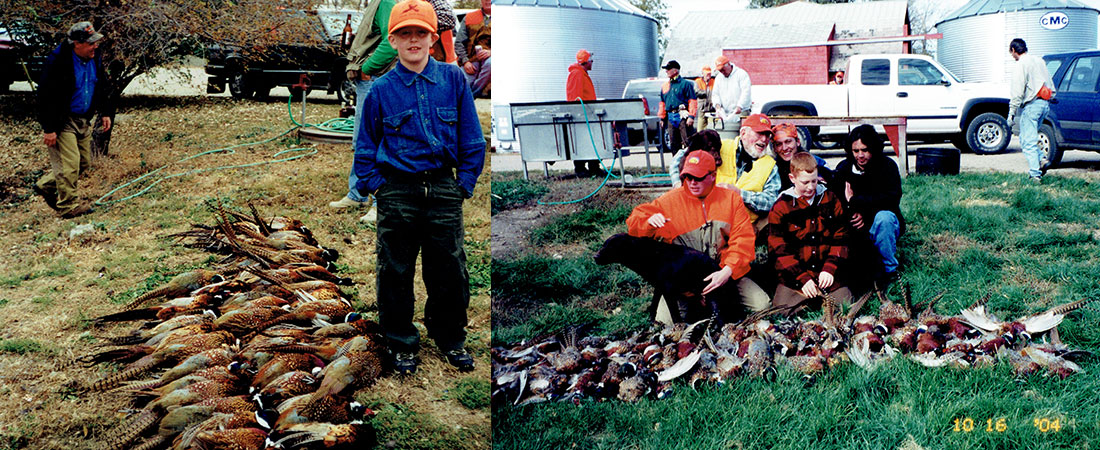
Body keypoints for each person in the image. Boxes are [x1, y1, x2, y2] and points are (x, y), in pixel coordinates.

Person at [352, 0, 486, 375]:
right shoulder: (380, 90)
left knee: (449, 269)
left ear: (433, 38)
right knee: (394, 270)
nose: (413, 41)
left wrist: (463, 184)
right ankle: (400, 341)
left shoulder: (454, 79)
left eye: (421, 33)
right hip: (398, 192)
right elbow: (364, 149)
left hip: (443, 189)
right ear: (392, 40)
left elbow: (472, 140)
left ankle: (450, 337)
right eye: (405, 34)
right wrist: (380, 189)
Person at [626, 150, 770, 315]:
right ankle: (699, 304)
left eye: (699, 177)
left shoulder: (731, 200)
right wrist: (648, 221)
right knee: (664, 321)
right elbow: (635, 224)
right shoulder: (669, 201)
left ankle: (710, 305)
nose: (692, 183)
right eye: (688, 177)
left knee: (762, 306)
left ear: (713, 176)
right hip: (683, 279)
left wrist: (727, 271)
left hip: (722, 272)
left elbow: (743, 240)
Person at [34, 21, 114, 219]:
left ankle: (45, 186)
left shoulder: (94, 58)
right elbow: (45, 97)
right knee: (70, 164)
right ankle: (68, 206)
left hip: (83, 120)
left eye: (95, 42)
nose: (95, 46)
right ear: (76, 43)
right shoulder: (57, 61)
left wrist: (105, 112)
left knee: (83, 163)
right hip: (62, 121)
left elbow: (101, 85)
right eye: (90, 43)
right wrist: (49, 129)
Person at [329, 0, 401, 221]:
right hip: (371, 80)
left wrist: (367, 68)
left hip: (376, 79)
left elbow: (391, 42)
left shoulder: (387, 2)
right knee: (363, 138)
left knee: (376, 140)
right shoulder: (378, 2)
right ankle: (358, 193)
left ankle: (382, 201)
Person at [767, 152, 853, 308]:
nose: (810, 187)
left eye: (814, 181)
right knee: (781, 312)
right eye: (805, 182)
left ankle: (822, 297)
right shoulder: (781, 206)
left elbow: (842, 237)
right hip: (796, 275)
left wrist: (830, 268)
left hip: (826, 272)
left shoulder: (830, 199)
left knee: (845, 306)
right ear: (792, 179)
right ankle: (808, 297)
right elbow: (779, 250)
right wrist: (802, 278)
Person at [829, 124, 904, 290]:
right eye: (856, 151)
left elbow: (891, 198)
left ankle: (890, 270)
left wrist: (857, 203)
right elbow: (838, 199)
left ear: (874, 148)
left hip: (883, 220)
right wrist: (852, 214)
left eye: (865, 150)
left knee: (883, 219)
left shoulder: (887, 166)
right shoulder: (843, 168)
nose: (860, 155)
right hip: (854, 223)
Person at [1007, 38, 1055, 184]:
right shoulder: (1039, 61)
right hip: (1044, 105)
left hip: (1032, 105)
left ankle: (1035, 176)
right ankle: (1042, 160)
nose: (1012, 56)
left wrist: (1011, 113)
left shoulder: (1021, 64)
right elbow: (1050, 84)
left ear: (1014, 51)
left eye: (1011, 53)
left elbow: (1017, 91)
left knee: (1027, 142)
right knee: (1025, 138)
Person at [566, 49, 604, 177]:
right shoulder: (577, 74)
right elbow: (575, 98)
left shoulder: (580, 73)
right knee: (582, 141)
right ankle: (581, 169)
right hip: (582, 116)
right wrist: (579, 114)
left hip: (587, 114)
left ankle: (593, 167)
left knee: (590, 140)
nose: (592, 63)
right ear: (586, 62)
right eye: (590, 61)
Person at [771, 123, 831, 190]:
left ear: (798, 142)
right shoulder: (772, 169)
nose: (784, 148)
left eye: (788, 142)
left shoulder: (818, 163)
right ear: (774, 148)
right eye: (779, 144)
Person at [658, 60, 697, 154]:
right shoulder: (665, 86)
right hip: (670, 116)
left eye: (668, 69)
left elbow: (692, 101)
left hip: (683, 115)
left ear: (675, 71)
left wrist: (691, 116)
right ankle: (676, 164)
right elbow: (662, 103)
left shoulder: (685, 84)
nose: (666, 71)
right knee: (673, 143)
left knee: (687, 140)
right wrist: (662, 118)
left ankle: (690, 163)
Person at [455, 0, 491, 98]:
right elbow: (459, 43)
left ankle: (471, 96)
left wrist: (491, 52)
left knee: (490, 64)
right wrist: (465, 61)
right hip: (471, 60)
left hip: (490, 60)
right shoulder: (469, 18)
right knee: (460, 82)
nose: (488, 1)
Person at [710, 55, 752, 128]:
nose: (722, 72)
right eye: (720, 70)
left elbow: (746, 92)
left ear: (728, 65)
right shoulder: (719, 78)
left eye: (723, 69)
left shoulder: (741, 74)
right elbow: (715, 94)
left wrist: (740, 106)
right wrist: (717, 106)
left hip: (741, 112)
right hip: (725, 113)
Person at [695, 65, 716, 131]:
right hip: (702, 110)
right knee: (700, 130)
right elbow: (696, 92)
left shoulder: (713, 81)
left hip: (712, 109)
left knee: (711, 129)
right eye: (707, 73)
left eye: (709, 73)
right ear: (702, 73)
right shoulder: (698, 81)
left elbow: (717, 92)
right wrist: (708, 92)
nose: (708, 74)